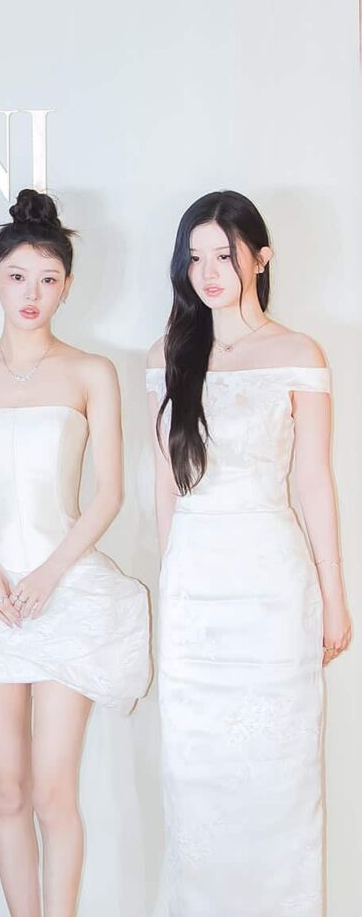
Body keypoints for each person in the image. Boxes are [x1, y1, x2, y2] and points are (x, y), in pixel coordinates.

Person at [0, 189, 150, 917]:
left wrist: (50, 574)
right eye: (18, 277)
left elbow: (109, 493)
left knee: (54, 791)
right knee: (8, 788)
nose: (32, 293)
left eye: (48, 280)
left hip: (65, 588)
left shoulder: (91, 372)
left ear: (67, 286)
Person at [146, 190, 352, 916]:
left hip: (272, 586)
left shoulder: (299, 354)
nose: (209, 273)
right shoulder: (168, 355)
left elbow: (315, 481)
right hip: (194, 593)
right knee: (195, 781)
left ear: (260, 259)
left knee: (280, 779)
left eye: (224, 257)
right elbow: (165, 487)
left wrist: (334, 597)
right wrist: (169, 584)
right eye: (195, 258)